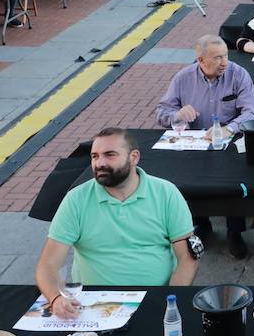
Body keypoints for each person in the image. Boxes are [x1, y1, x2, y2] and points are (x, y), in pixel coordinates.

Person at [36, 128, 197, 321]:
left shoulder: (166, 193)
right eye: (94, 156)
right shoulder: (76, 200)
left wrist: (170, 300)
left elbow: (187, 257)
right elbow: (48, 264)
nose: (100, 163)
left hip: (155, 297)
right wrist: (55, 299)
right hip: (93, 303)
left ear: (134, 157)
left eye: (109, 155)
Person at [154, 36, 254, 258]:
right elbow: (162, 114)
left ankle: (234, 232)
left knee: (233, 181)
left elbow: (252, 110)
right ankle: (202, 223)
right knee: (186, 180)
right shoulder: (183, 78)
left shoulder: (238, 74)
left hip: (230, 142)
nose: (224, 62)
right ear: (200, 60)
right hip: (196, 144)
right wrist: (177, 115)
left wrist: (230, 128)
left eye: (226, 56)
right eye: (218, 57)